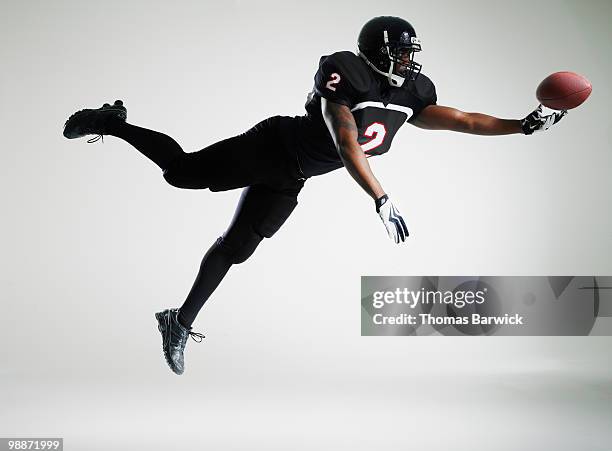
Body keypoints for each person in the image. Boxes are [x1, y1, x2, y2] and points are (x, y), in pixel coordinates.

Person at [62, 16, 566, 375]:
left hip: (292, 175)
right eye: (402, 49)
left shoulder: (411, 94)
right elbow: (346, 140)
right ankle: (115, 122)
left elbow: (464, 120)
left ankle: (178, 320)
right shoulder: (345, 70)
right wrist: (381, 198)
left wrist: (523, 125)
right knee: (181, 173)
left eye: (414, 51)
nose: (410, 59)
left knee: (236, 249)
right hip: (271, 147)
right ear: (375, 51)